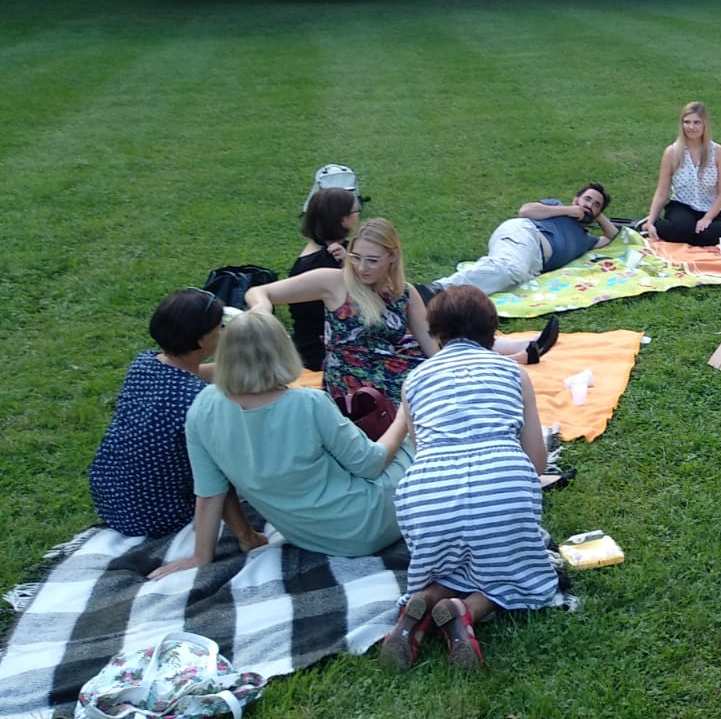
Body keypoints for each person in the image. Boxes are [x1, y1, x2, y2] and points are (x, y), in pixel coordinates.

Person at [148, 312, 414, 580]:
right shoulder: (308, 403)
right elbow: (370, 464)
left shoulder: (202, 407)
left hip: (312, 538)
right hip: (371, 521)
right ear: (282, 350)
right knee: (419, 443)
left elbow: (210, 492)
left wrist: (202, 555)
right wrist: (404, 415)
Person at [380, 287, 560, 672]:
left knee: (448, 561)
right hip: (501, 485)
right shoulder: (511, 371)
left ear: (435, 332)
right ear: (491, 332)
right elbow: (538, 461)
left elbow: (419, 445)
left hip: (428, 496)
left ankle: (424, 604)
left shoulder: (415, 380)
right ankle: (467, 611)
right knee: (518, 573)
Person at [244, 218, 437, 402]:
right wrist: (262, 308)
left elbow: (432, 349)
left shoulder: (404, 293)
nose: (362, 268)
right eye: (355, 257)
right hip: (350, 383)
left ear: (392, 257)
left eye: (372, 260)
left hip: (391, 375)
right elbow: (258, 291)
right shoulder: (335, 282)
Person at [88, 288, 224, 537]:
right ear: (202, 339)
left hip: (111, 500)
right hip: (157, 516)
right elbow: (217, 475)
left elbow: (192, 374)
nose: (223, 331)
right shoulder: (198, 400)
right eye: (220, 326)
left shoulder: (144, 363)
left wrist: (245, 365)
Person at [423, 183, 617, 298]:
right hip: (525, 234)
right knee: (510, 270)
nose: (589, 205)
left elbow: (611, 235)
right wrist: (568, 210)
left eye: (596, 204)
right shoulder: (555, 206)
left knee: (508, 283)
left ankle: (448, 300)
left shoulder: (586, 240)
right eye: (587, 199)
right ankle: (436, 289)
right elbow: (525, 211)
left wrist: (596, 215)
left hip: (533, 264)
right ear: (576, 199)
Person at [287, 187, 359, 370]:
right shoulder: (318, 264)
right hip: (324, 352)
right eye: (354, 211)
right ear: (342, 219)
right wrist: (349, 266)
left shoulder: (338, 250)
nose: (358, 215)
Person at [645, 101, 721, 246]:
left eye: (696, 122)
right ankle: (661, 226)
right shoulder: (672, 152)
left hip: (710, 207)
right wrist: (650, 221)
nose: (691, 127)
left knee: (713, 235)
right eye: (687, 122)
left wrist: (707, 218)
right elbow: (662, 191)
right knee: (682, 229)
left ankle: (690, 235)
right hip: (682, 205)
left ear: (705, 124)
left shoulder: (717, 152)